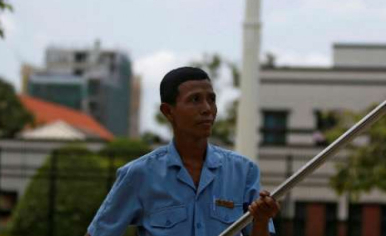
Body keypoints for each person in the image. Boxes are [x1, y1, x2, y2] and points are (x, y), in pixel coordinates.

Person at [86, 67, 279, 236]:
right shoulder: (138, 175)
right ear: (168, 112)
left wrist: (261, 221)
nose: (207, 109)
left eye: (211, 99)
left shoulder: (243, 172)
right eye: (195, 99)